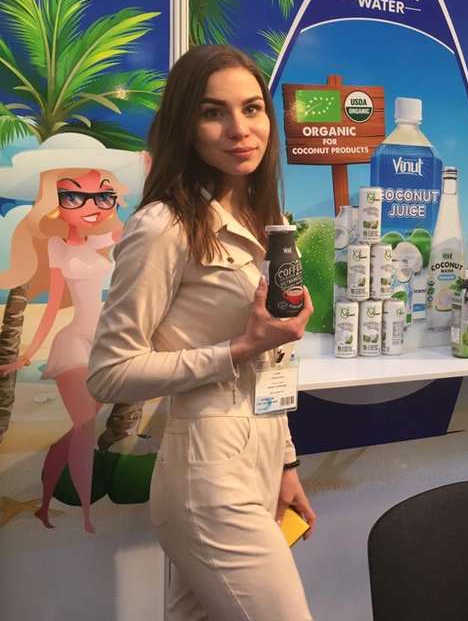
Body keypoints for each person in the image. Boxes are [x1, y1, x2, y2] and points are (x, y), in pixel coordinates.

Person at [87, 45, 316, 621]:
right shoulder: (164, 226)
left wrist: (285, 463)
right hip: (209, 471)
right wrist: (239, 348)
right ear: (184, 127)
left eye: (252, 108)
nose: (240, 129)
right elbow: (109, 373)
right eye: (214, 112)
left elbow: (270, 364)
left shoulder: (264, 221)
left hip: (260, 455)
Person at [0, 133, 140, 533]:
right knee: (83, 427)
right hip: (74, 343)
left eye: (103, 197)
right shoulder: (57, 248)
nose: (92, 206)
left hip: (105, 343)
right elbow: (51, 308)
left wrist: (131, 182)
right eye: (73, 196)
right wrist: (29, 354)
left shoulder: (110, 238)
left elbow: (133, 229)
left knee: (76, 431)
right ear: (54, 200)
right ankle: (86, 514)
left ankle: (45, 502)